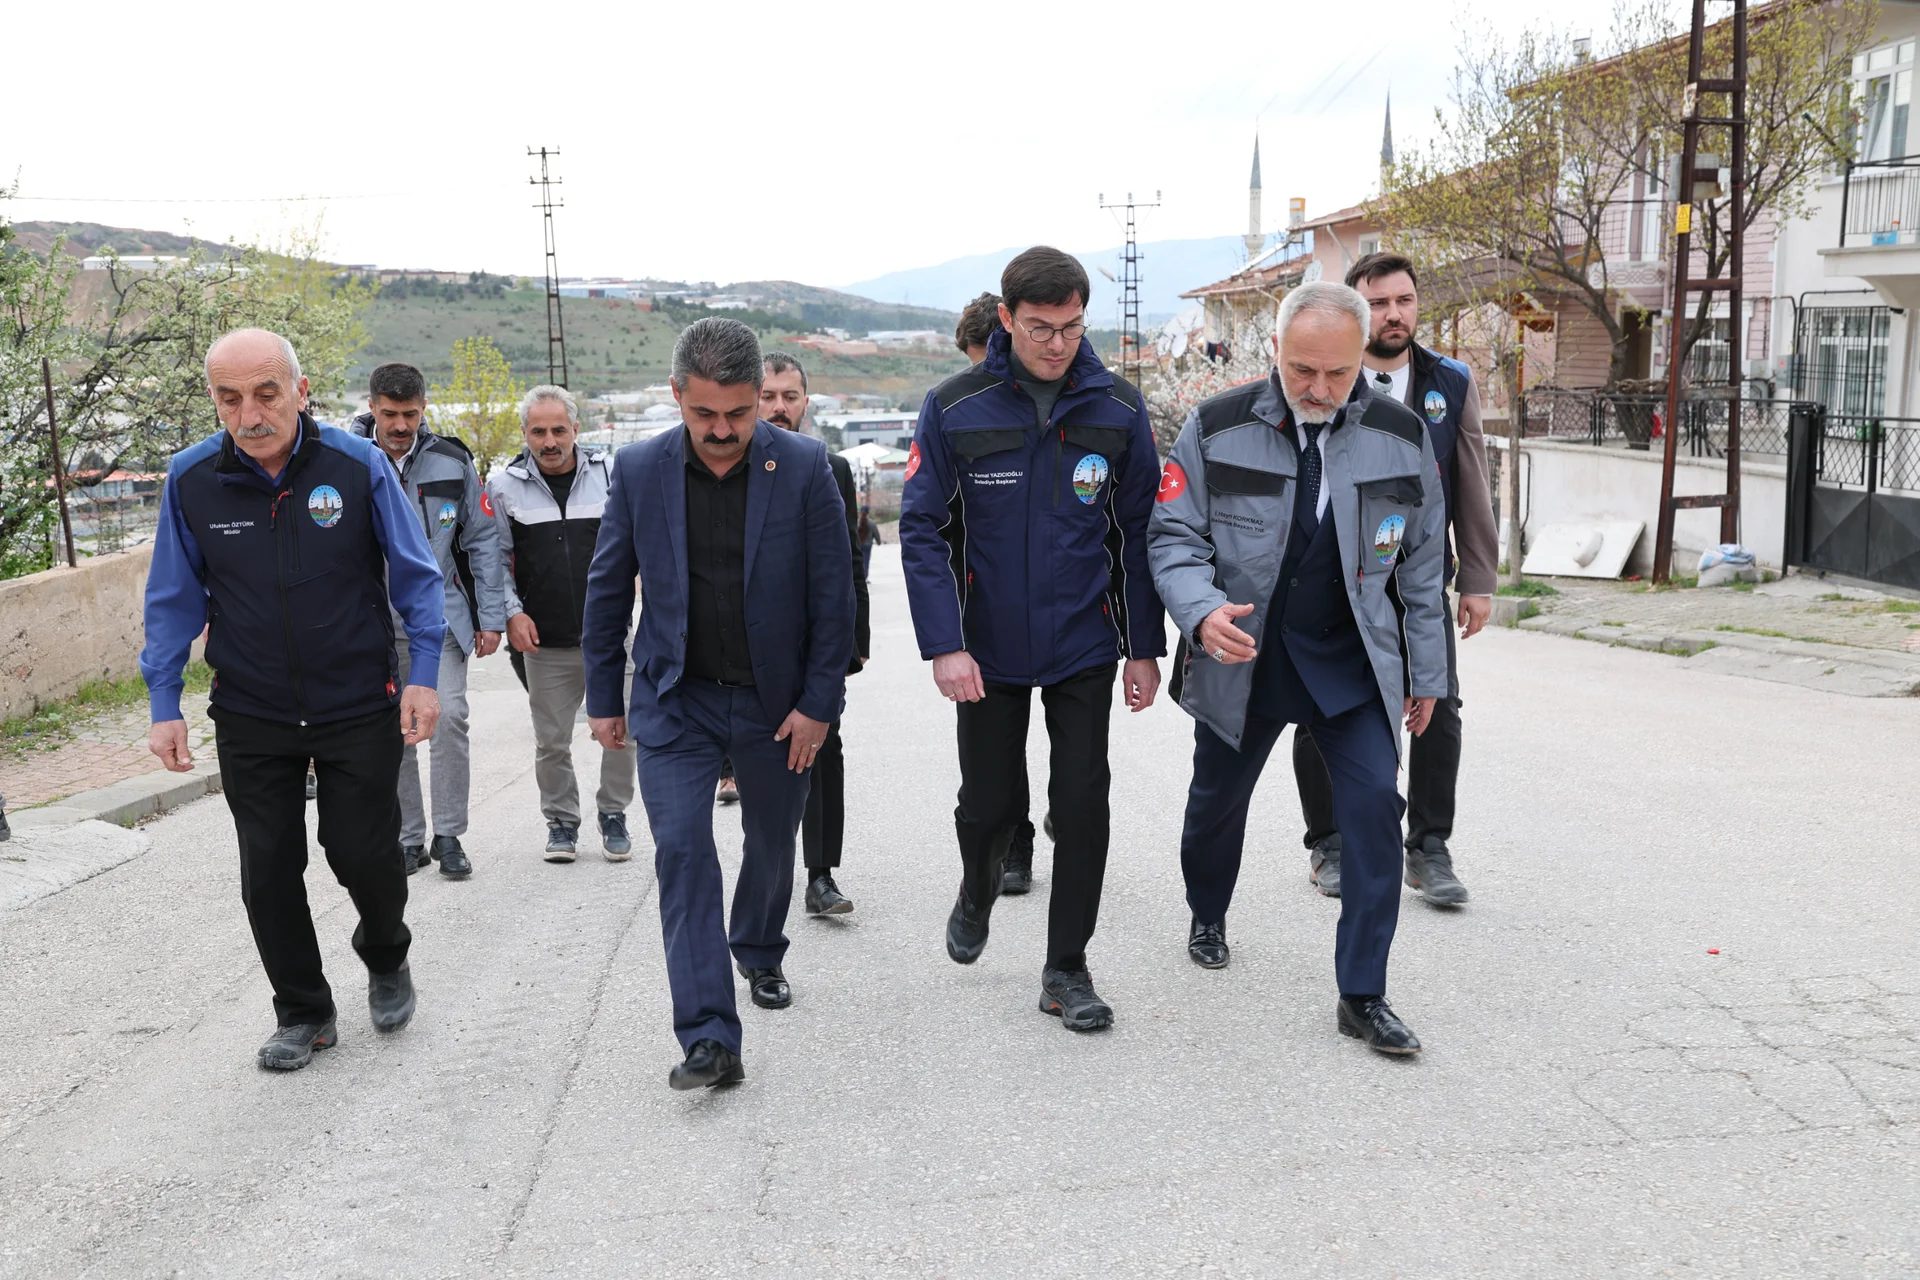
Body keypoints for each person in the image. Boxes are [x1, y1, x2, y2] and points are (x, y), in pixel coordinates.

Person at [1148, 282, 1449, 1056]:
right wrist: (1201, 611)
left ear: (1361, 365)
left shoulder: (1401, 437)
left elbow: (1419, 568)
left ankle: (1363, 993)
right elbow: (1174, 539)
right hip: (1244, 654)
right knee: (1215, 808)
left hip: (1352, 662)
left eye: (1337, 375)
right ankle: (1207, 907)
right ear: (1274, 352)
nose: (1318, 390)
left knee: (1377, 814)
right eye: (1302, 370)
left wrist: (1427, 674)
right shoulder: (1215, 427)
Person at [140, 328, 445, 1071]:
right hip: (252, 708)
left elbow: (414, 574)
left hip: (354, 700)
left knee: (364, 852)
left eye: (266, 393)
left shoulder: (357, 463)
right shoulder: (191, 481)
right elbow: (172, 598)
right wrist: (163, 700)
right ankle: (303, 1011)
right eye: (229, 397)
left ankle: (385, 955)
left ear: (301, 392)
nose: (249, 413)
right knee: (268, 868)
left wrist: (425, 671)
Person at [580, 318, 854, 1091]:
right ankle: (708, 1035)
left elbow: (835, 598)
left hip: (778, 705)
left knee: (772, 840)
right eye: (706, 416)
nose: (725, 431)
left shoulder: (802, 467)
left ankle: (760, 950)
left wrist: (818, 704)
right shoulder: (638, 471)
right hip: (676, 699)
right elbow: (606, 589)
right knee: (684, 854)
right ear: (677, 398)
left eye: (740, 414)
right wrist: (605, 695)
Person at [899, 247, 1164, 1032]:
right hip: (986, 649)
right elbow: (920, 528)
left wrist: (1143, 645)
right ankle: (977, 888)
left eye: (1074, 327)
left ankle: (1066, 969)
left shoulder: (1117, 408)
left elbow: (1141, 530)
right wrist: (944, 643)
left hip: (1084, 640)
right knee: (990, 805)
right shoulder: (955, 407)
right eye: (1041, 328)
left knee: (1082, 804)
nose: (1058, 344)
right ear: (1006, 319)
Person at [1291, 253, 1496, 905]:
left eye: (1404, 300)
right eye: (1378, 303)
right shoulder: (1317, 380)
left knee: (1440, 704)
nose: (1394, 313)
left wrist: (1479, 578)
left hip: (1416, 580)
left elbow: (1471, 483)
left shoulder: (1449, 383)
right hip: (1331, 582)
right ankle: (1332, 844)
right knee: (1321, 708)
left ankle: (1429, 847)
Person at [352, 362, 508, 879]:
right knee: (393, 731)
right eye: (391, 414)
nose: (401, 425)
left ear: (424, 407)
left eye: (411, 414)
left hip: (440, 619)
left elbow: (482, 538)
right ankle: (407, 838)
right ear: (373, 406)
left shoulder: (451, 461)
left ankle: (448, 835)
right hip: (370, 625)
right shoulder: (347, 461)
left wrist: (491, 616)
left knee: (451, 718)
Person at [488, 386, 635, 864]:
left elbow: (637, 545)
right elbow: (496, 560)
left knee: (621, 732)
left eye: (558, 430)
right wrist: (513, 612)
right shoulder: (503, 486)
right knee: (551, 742)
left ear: (576, 429)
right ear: (525, 433)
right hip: (545, 642)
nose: (549, 441)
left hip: (610, 637)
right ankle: (561, 823)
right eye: (538, 431)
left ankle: (614, 814)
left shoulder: (611, 476)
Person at [760, 351, 869, 916]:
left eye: (790, 397)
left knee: (823, 751)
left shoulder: (834, 468)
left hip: (814, 642)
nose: (780, 408)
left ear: (806, 402)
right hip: (748, 645)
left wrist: (854, 643)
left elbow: (850, 564)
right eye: (769, 396)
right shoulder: (728, 465)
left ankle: (821, 875)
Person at [949, 291, 1045, 897]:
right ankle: (1013, 845)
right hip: (978, 603)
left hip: (1048, 601)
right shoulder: (955, 409)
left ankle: (1060, 809)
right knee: (995, 754)